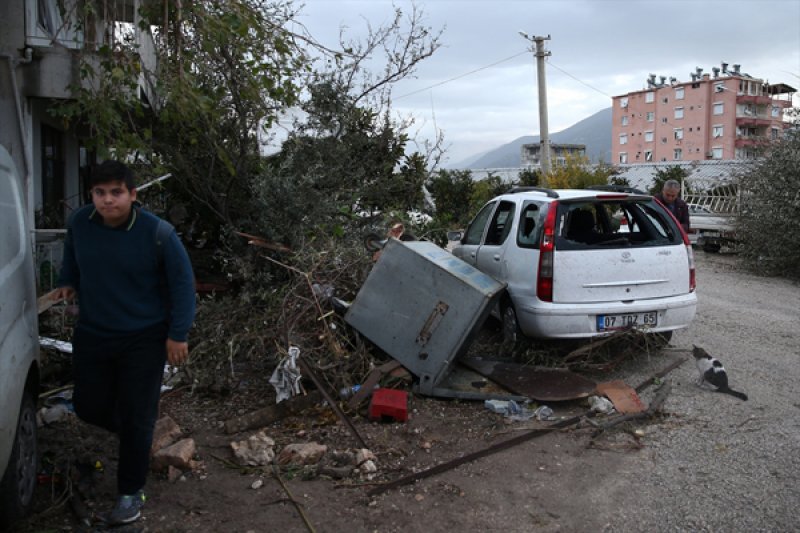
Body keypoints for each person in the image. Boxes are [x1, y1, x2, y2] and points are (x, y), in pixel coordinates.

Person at [52, 160, 196, 525]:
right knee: (87, 406)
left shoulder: (157, 233)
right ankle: (138, 432)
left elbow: (183, 286)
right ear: (92, 196)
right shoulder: (81, 224)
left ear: (132, 194)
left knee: (136, 415)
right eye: (100, 193)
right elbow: (72, 252)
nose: (107, 201)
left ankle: (130, 493)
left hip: (144, 338)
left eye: (116, 192)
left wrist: (178, 335)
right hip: (95, 332)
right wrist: (68, 278)